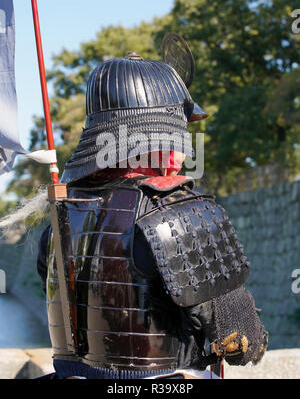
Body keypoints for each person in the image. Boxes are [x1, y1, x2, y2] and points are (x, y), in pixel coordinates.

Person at [37, 47, 268, 380]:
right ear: (158, 135)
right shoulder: (179, 212)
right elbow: (243, 343)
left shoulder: (62, 217)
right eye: (180, 130)